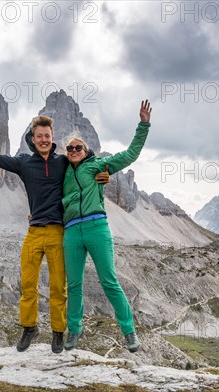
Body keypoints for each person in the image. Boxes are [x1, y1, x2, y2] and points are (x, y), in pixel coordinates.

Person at [0, 97, 109, 354]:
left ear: (52, 137)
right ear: (32, 138)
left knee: (58, 287)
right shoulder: (23, 162)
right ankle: (30, 327)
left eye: (47, 135)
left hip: (57, 232)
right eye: (39, 136)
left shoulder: (63, 161)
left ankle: (57, 332)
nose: (43, 139)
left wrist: (103, 176)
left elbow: (87, 160)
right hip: (33, 233)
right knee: (28, 284)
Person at [62, 99, 152, 353]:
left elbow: (129, 155)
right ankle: (74, 330)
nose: (73, 150)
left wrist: (143, 125)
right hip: (71, 232)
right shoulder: (63, 171)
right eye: (69, 148)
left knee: (109, 281)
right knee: (74, 285)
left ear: (86, 149)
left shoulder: (97, 166)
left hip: (96, 227)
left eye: (78, 147)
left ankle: (129, 331)